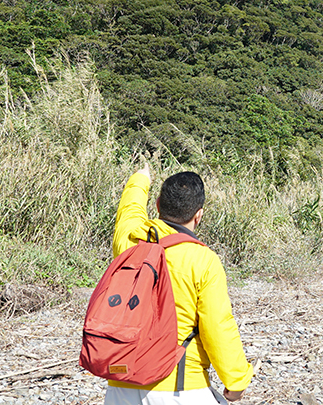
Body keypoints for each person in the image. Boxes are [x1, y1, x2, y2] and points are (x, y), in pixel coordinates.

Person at [105, 163, 253, 405]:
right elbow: (218, 326)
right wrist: (236, 381)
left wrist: (140, 179)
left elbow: (129, 210)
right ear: (199, 215)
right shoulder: (203, 260)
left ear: (157, 206)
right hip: (180, 387)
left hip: (122, 383)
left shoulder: (130, 243)